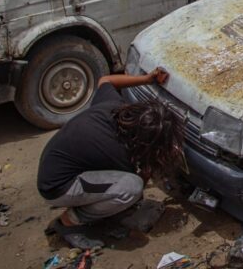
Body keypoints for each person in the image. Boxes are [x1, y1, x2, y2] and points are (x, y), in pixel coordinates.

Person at [37, 67, 184, 245]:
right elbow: (139, 186)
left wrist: (147, 79)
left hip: (53, 162)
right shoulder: (117, 151)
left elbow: (105, 80)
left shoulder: (116, 108)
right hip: (56, 186)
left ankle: (95, 205)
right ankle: (68, 222)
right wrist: (150, 165)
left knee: (124, 188)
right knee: (131, 188)